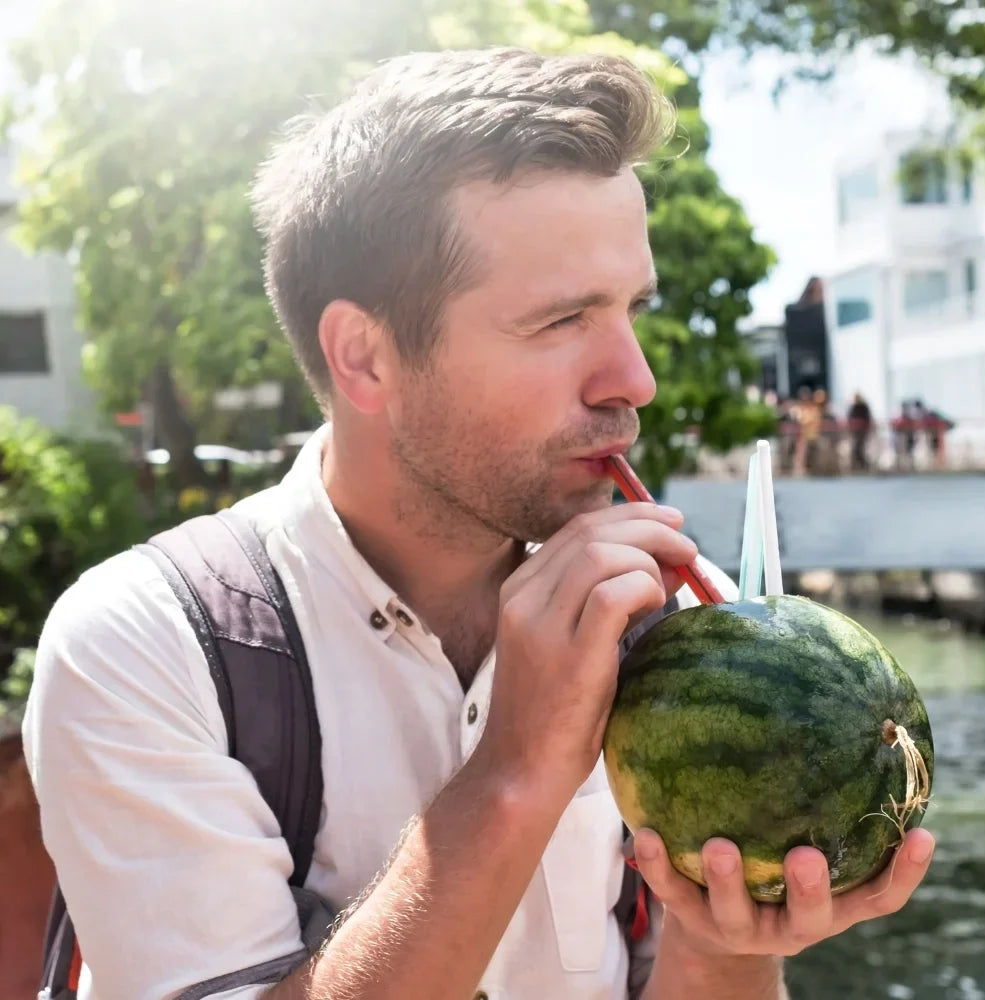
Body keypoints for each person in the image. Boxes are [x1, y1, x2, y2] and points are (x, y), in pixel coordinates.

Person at [23, 48, 934, 1000]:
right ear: (365, 357)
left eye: (630, 310)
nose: (635, 380)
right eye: (560, 321)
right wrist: (517, 766)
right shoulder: (149, 647)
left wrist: (725, 944)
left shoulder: (674, 624)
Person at [847, 392, 873, 472]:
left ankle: (863, 465)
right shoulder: (852, 407)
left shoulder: (863, 407)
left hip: (862, 431)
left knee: (860, 448)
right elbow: (850, 418)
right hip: (855, 431)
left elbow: (867, 418)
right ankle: (857, 465)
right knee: (855, 448)